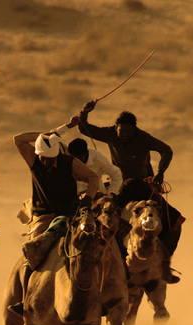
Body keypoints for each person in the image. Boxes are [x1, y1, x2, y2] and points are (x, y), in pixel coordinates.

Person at [78, 102, 182, 284]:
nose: (124, 135)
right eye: (121, 131)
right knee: (104, 218)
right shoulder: (110, 133)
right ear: (116, 128)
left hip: (144, 187)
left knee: (175, 219)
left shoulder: (143, 138)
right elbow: (85, 129)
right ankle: (100, 260)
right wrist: (84, 112)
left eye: (128, 131)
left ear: (134, 130)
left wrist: (160, 172)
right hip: (121, 186)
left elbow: (166, 150)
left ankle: (164, 264)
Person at [6, 124, 101, 316]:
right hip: (43, 216)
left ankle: (98, 298)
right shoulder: (33, 159)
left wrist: (89, 198)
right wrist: (41, 135)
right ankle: (25, 300)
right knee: (32, 251)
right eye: (44, 158)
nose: (47, 162)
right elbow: (18, 138)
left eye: (51, 159)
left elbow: (93, 177)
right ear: (38, 154)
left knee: (93, 247)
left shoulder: (69, 162)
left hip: (70, 215)